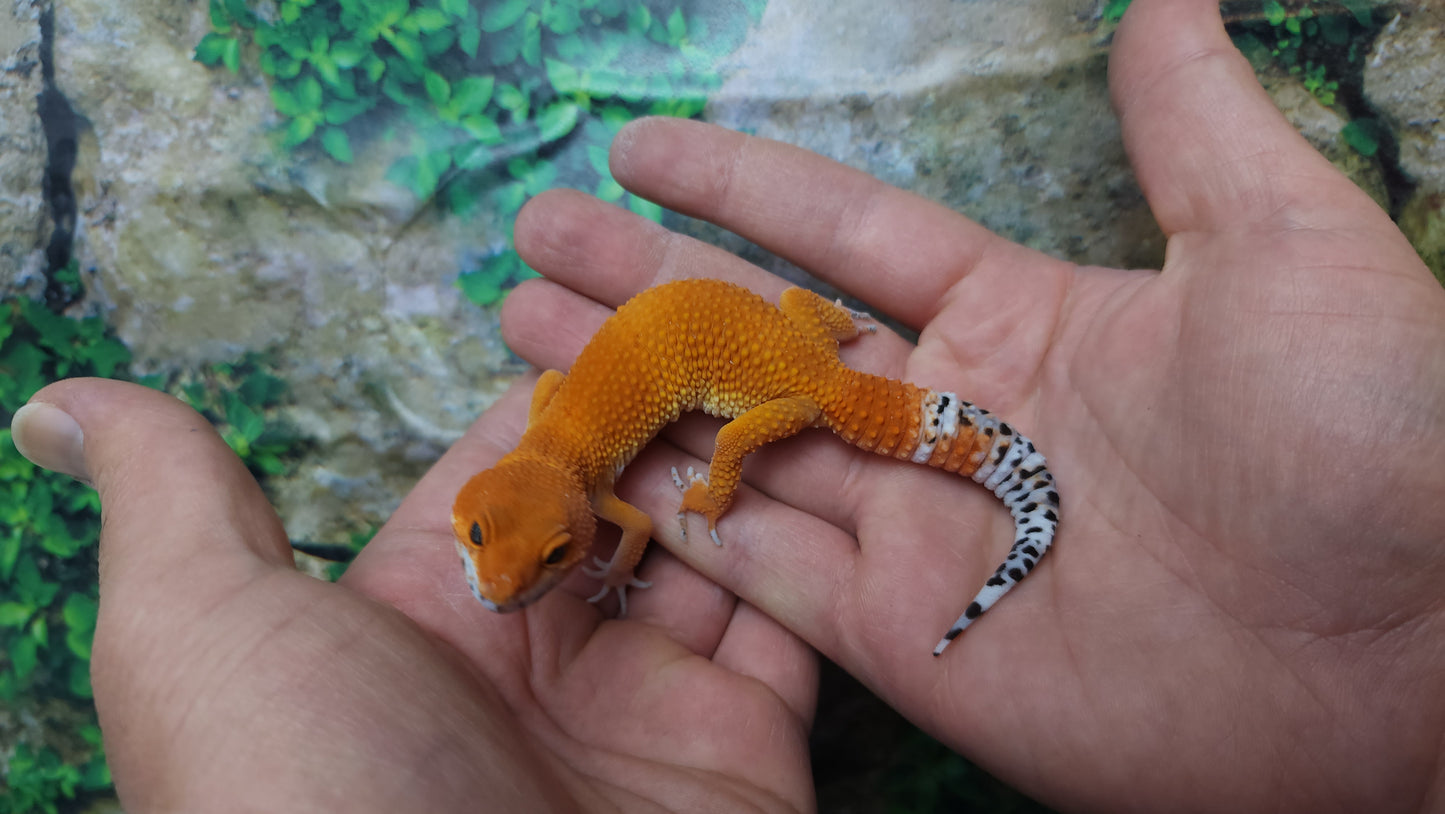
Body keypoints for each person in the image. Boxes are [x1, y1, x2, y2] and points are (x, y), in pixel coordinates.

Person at [12, 0, 1444, 810]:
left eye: (509, 559)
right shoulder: (560, 473)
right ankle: (927, 438)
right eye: (505, 561)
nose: (505, 585)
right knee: (767, 395)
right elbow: (602, 527)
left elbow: (643, 512)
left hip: (776, 384)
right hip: (770, 335)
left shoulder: (581, 463)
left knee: (766, 443)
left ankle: (1001, 501)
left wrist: (716, 482)